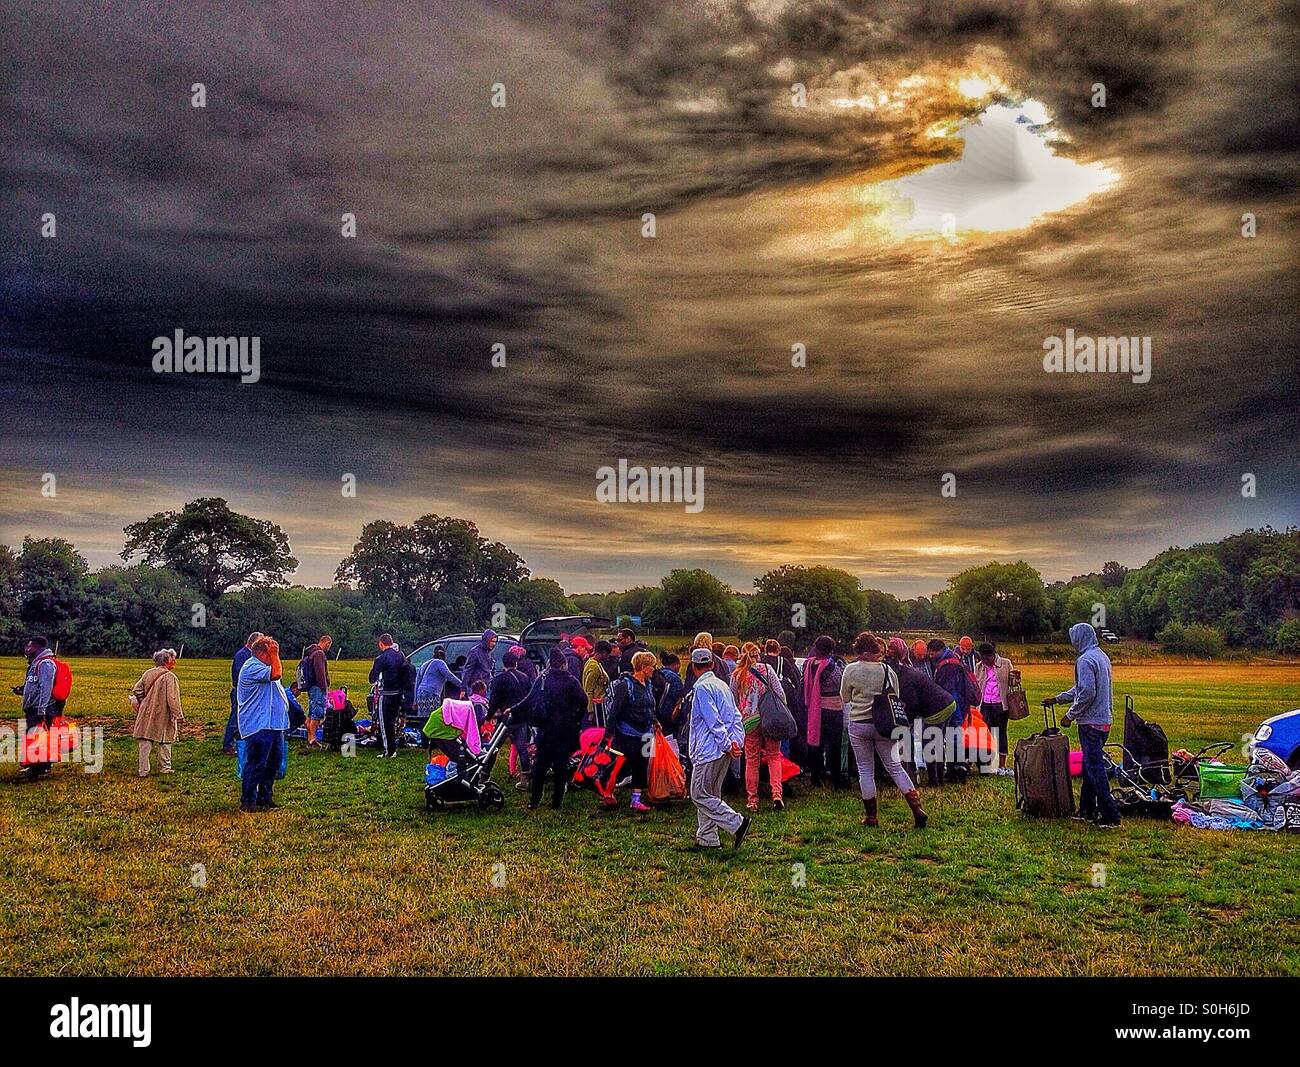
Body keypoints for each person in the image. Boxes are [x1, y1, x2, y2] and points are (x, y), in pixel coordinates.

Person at [840, 633, 927, 828]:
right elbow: (895, 696)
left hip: (859, 723)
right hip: (885, 725)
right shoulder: (888, 670)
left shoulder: (851, 669)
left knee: (865, 770)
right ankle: (917, 808)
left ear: (859, 649)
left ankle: (871, 817)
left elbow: (845, 697)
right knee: (895, 767)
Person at [1046, 623, 1121, 828]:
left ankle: (1110, 814)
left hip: (1090, 723)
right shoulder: (1101, 656)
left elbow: (1087, 692)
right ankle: (1086, 810)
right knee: (1089, 767)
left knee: (1095, 769)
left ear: (1080, 637)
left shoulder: (1085, 660)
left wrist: (1070, 715)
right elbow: (1080, 688)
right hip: (1104, 720)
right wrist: (1058, 699)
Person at [685, 647, 749, 850]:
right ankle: (708, 838)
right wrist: (736, 742)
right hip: (723, 749)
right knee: (712, 795)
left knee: (699, 794)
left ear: (694, 667)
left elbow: (713, 721)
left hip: (708, 749)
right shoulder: (722, 685)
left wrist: (727, 743)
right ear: (712, 664)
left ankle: (737, 823)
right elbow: (735, 716)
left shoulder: (702, 689)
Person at [885, 636, 957, 782]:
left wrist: (907, 721)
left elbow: (912, 703)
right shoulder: (908, 671)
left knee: (929, 744)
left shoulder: (904, 679)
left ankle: (934, 781)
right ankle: (940, 778)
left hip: (936, 709)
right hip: (949, 703)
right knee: (937, 742)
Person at [525, 647, 588, 810]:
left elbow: (530, 699)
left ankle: (535, 800)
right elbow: (583, 701)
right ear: (564, 664)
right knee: (561, 768)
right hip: (565, 730)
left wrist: (514, 709)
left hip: (545, 729)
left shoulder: (543, 679)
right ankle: (556, 802)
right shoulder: (571, 681)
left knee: (540, 766)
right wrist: (576, 720)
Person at [732, 641, 789, 812]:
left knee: (751, 760)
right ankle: (777, 794)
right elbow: (780, 693)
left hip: (749, 720)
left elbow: (733, 699)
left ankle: (752, 799)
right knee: (773, 756)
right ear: (759, 654)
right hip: (769, 718)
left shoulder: (737, 675)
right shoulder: (767, 670)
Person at [236, 636, 290, 812]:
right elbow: (277, 674)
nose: (274, 657)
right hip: (258, 724)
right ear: (261, 653)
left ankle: (265, 798)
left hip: (273, 724)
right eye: (270, 653)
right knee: (257, 764)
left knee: (273, 764)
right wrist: (275, 654)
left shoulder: (264, 666)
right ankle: (248, 801)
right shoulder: (252, 667)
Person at [602, 649, 659, 812]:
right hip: (628, 733)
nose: (654, 669)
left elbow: (650, 706)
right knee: (620, 765)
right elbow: (615, 711)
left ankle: (636, 798)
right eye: (652, 666)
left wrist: (655, 720)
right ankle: (608, 793)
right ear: (643, 667)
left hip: (647, 733)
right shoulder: (624, 686)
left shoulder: (648, 684)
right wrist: (609, 734)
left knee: (643, 765)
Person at [800, 635, 846, 788]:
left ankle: (815, 777)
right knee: (834, 745)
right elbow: (840, 684)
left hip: (814, 708)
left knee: (816, 743)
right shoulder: (833, 667)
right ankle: (836, 779)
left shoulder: (808, 665)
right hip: (833, 709)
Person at [130, 648, 184, 776]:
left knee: (145, 740)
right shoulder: (170, 677)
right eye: (173, 659)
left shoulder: (148, 673)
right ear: (167, 661)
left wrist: (144, 701)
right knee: (165, 739)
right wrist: (178, 715)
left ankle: (143, 770)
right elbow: (173, 699)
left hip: (146, 711)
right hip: (163, 713)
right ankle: (165, 767)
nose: (174, 662)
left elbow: (137, 690)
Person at [489, 650, 535, 789]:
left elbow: (494, 701)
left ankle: (484, 774)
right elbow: (529, 698)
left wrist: (488, 717)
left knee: (493, 748)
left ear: (504, 663)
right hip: (521, 718)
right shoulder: (525, 677)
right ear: (516, 663)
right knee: (522, 749)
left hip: (505, 719)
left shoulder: (499, 679)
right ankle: (525, 777)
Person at [14, 636, 58, 780]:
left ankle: (37, 770)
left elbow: (46, 688)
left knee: (37, 738)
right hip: (33, 708)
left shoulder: (46, 664)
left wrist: (41, 710)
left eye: (30, 646)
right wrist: (22, 690)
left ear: (38, 647)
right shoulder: (35, 663)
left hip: (41, 708)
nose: (27, 649)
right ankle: (39, 768)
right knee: (36, 738)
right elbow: (35, 684)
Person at [974, 641, 1014, 774]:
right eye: (983, 659)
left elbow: (1013, 683)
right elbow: (976, 685)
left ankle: (1002, 765)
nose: (986, 661)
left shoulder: (1006, 663)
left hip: (1000, 704)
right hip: (984, 704)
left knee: (1001, 733)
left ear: (993, 655)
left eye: (988, 658)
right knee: (986, 734)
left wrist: (1017, 678)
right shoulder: (979, 667)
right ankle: (987, 763)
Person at [223, 631, 261, 755]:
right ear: (253, 642)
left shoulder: (250, 655)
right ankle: (228, 744)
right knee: (235, 717)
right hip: (239, 691)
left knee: (243, 717)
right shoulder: (242, 655)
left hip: (247, 692)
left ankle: (241, 741)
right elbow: (242, 675)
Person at [369, 633, 406, 758]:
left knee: (385, 723)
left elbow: (372, 677)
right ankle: (393, 746)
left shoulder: (381, 658)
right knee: (394, 721)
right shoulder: (400, 656)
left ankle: (389, 750)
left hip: (386, 694)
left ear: (381, 644)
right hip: (398, 693)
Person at [415, 646, 463, 724]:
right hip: (432, 694)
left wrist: (415, 700)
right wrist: (463, 685)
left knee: (423, 719)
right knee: (433, 718)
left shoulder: (425, 664)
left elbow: (417, 682)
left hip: (421, 693)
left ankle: (423, 735)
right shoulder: (439, 663)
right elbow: (450, 676)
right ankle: (431, 735)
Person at [300, 635, 332, 747]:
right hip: (318, 687)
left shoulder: (311, 652)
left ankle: (309, 738)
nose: (329, 648)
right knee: (317, 713)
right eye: (329, 645)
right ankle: (312, 740)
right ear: (326, 643)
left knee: (311, 711)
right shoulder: (319, 654)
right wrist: (324, 687)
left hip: (311, 687)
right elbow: (320, 673)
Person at [582, 640, 613, 725]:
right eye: (607, 654)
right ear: (603, 653)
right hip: (596, 708)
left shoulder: (595, 663)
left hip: (598, 705)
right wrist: (591, 711)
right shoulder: (594, 667)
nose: (608, 657)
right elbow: (588, 690)